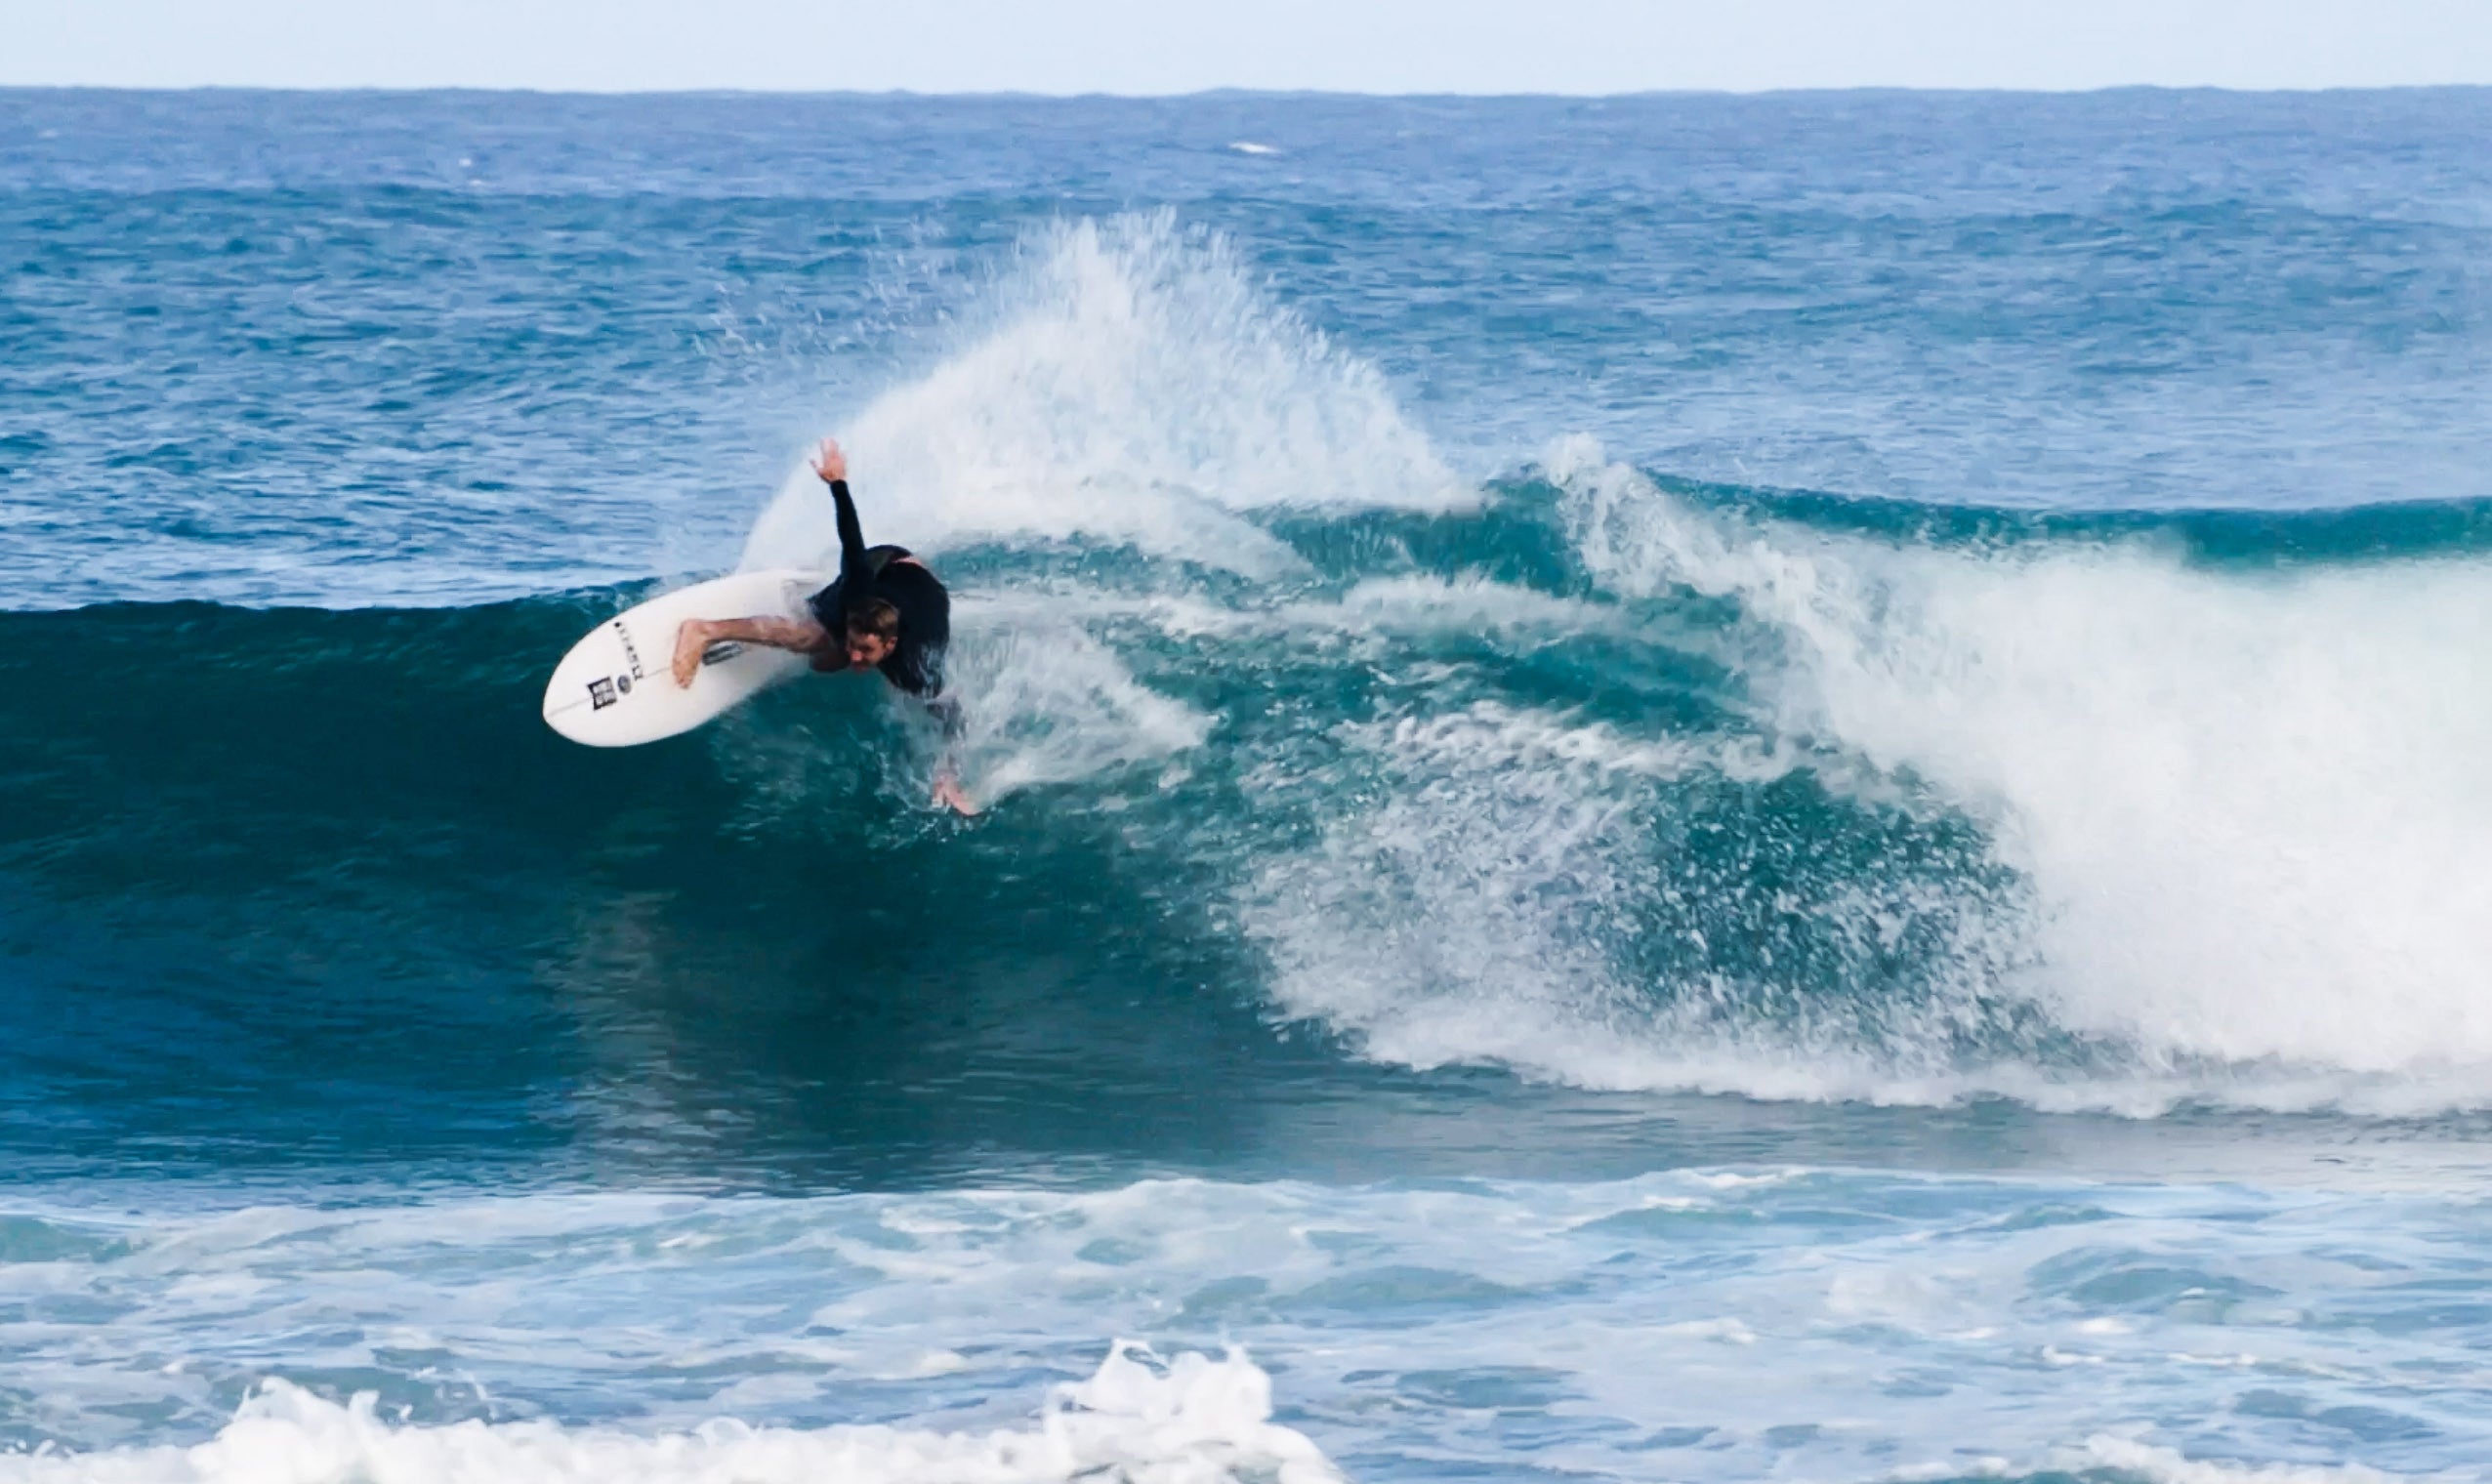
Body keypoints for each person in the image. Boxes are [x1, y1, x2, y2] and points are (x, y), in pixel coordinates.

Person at [671, 438, 973, 814]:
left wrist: (949, 774)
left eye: (866, 651)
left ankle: (790, 634)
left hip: (916, 579)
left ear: (890, 645)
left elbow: (955, 716)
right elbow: (852, 540)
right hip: (882, 565)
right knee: (812, 639)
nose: (857, 655)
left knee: (829, 662)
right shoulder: (859, 593)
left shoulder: (915, 667)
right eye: (854, 644)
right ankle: (704, 630)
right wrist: (837, 483)